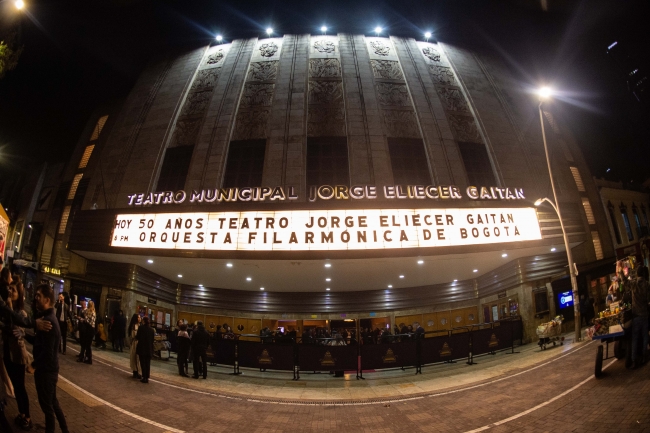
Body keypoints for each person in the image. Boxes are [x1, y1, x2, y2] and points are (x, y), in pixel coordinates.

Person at [14, 284, 69, 433]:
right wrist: (25, 335)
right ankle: (65, 430)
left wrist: (34, 365)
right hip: (49, 371)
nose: (36, 298)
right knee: (53, 403)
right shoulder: (46, 318)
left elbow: (48, 352)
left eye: (39, 296)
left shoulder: (48, 321)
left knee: (48, 408)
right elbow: (40, 342)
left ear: (47, 299)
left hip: (46, 372)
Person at [3, 281, 33, 430]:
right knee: (15, 384)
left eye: (13, 290)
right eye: (9, 288)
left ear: (19, 294)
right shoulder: (10, 308)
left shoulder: (21, 313)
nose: (10, 291)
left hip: (18, 355)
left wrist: (8, 306)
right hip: (8, 352)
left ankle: (27, 416)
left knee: (20, 387)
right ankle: (21, 414)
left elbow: (14, 329)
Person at [630, 266, 649, 369]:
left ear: (637, 273)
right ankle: (644, 356)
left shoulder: (634, 283)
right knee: (645, 336)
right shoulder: (646, 284)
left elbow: (624, 282)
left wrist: (620, 271)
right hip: (644, 314)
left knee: (635, 338)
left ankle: (634, 360)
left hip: (636, 315)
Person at [135, 316, 155, 383]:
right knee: (147, 363)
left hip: (142, 348)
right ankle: (147, 377)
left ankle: (144, 377)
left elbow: (137, 337)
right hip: (149, 349)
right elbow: (152, 340)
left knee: (142, 363)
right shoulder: (152, 330)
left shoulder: (141, 328)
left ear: (143, 321)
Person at [127, 314, 142, 379]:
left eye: (140, 317)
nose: (140, 318)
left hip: (138, 343)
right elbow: (134, 335)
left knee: (137, 358)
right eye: (138, 317)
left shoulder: (139, 325)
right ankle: (135, 372)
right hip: (135, 343)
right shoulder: (134, 326)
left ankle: (137, 371)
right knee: (134, 357)